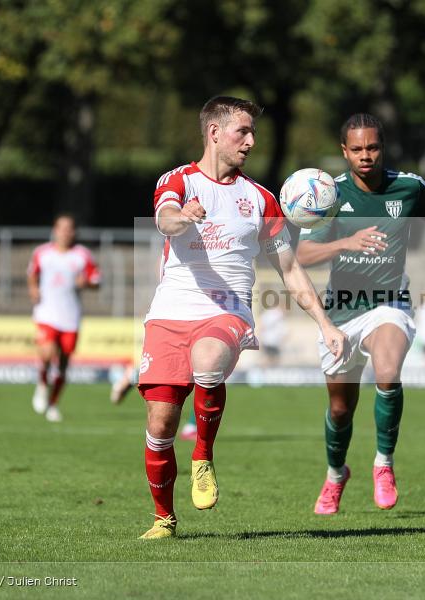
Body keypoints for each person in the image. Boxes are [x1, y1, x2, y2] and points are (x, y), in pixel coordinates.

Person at [138, 96, 347, 539]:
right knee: (160, 425)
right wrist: (183, 216)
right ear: (214, 133)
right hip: (169, 314)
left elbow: (289, 268)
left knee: (208, 359)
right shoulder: (178, 181)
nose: (251, 141)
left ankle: (203, 456)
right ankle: (164, 519)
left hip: (226, 311)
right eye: (242, 132)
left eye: (253, 133)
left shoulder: (262, 199)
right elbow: (164, 220)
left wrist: (325, 323)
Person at [296, 113, 425, 515]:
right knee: (341, 409)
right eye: (357, 149)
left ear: (383, 147)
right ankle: (335, 474)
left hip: (388, 302)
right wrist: (347, 241)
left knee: (386, 369)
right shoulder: (331, 194)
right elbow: (304, 254)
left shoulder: (409, 186)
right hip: (342, 311)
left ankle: (384, 463)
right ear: (344, 151)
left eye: (373, 147)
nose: (366, 156)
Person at [28, 214, 101, 422]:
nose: (65, 232)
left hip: (70, 316)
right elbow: (32, 274)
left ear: (74, 232)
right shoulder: (42, 253)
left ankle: (53, 404)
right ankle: (42, 384)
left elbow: (96, 280)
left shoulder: (82, 255)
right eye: (61, 228)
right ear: (55, 230)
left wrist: (86, 282)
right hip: (46, 313)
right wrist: (33, 289)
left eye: (69, 228)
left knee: (62, 364)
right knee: (46, 352)